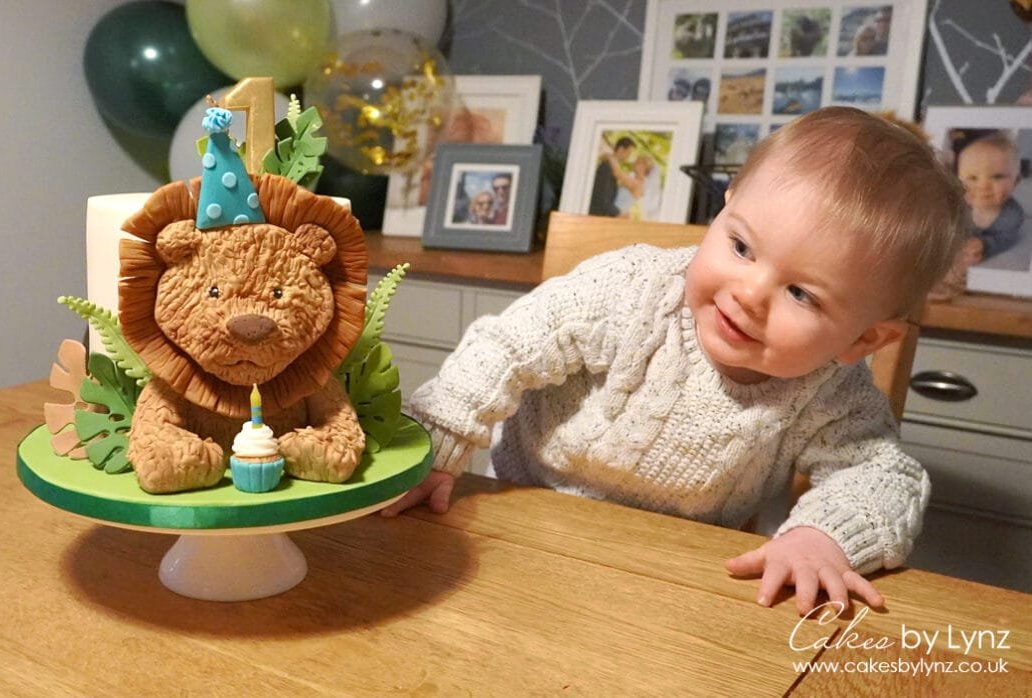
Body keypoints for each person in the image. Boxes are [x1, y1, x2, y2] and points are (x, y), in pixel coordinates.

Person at [382, 107, 968, 615]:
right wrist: (443, 434)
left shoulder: (833, 387)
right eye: (741, 247)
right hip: (527, 511)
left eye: (802, 294)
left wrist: (823, 536)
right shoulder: (634, 287)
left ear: (863, 340)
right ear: (724, 207)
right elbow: (508, 346)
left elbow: (883, 475)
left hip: (676, 563)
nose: (749, 293)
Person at [955, 132, 1025, 260]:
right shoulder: (957, 207)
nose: (983, 186)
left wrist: (985, 245)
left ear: (1016, 182)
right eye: (972, 178)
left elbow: (1006, 239)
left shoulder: (1012, 216)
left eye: (997, 177)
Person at [588, 137, 635, 217]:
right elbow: (602, 198)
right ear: (621, 149)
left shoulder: (613, 167)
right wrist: (618, 214)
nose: (629, 156)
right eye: (628, 153)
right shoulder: (607, 167)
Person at [611, 154, 661, 221]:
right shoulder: (633, 178)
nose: (634, 163)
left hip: (613, 214)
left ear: (643, 167)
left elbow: (616, 172)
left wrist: (609, 157)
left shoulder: (638, 184)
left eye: (637, 162)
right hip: (614, 211)